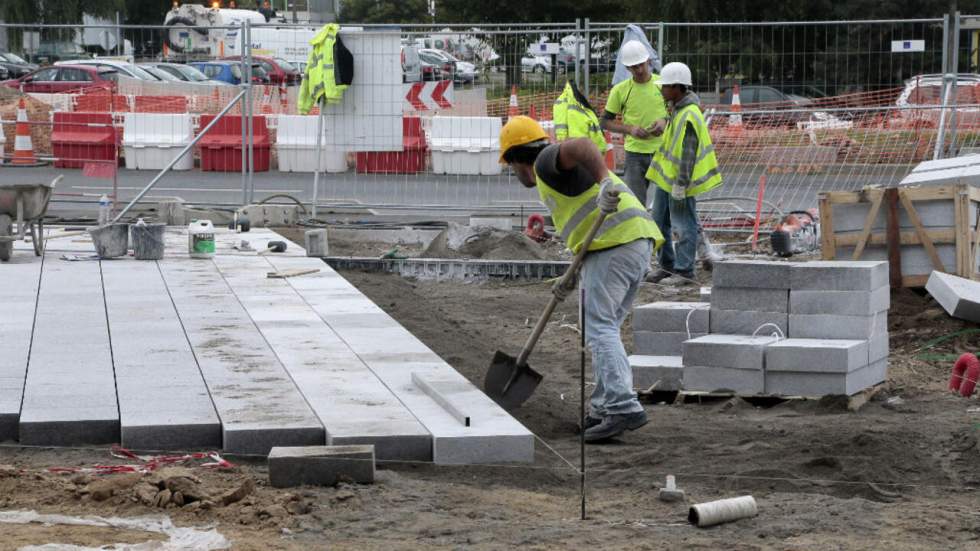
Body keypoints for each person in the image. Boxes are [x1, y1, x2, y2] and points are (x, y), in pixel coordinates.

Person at [498, 116, 664, 443]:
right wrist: (572, 274)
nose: (513, 172)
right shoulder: (553, 173)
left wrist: (605, 180)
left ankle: (620, 406)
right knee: (604, 327)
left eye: (509, 165)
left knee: (599, 326)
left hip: (616, 243)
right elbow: (585, 220)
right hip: (629, 243)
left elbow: (583, 145)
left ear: (518, 158)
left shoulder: (545, 161)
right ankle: (604, 407)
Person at [645, 62, 723, 283]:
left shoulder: (689, 114)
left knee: (683, 224)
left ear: (678, 88)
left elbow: (688, 153)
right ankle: (667, 266)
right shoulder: (677, 110)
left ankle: (684, 270)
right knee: (659, 221)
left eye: (665, 86)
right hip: (666, 180)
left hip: (680, 182)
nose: (661, 90)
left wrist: (680, 184)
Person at [600, 40, 669, 209]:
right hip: (635, 155)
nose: (638, 70)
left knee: (666, 203)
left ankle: (663, 233)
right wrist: (629, 129)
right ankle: (642, 234)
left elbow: (678, 111)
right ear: (627, 68)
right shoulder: (621, 90)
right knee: (636, 205)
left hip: (663, 151)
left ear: (648, 61)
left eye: (641, 65)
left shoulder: (663, 84)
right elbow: (605, 122)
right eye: (633, 67)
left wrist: (664, 121)